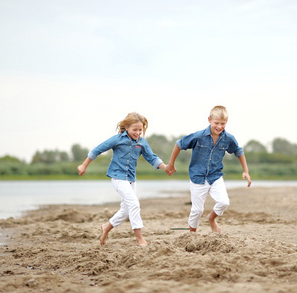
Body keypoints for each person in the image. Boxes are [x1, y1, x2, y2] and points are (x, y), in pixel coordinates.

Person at [77, 112, 168, 246]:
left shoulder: (142, 142)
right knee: (134, 204)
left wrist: (165, 167)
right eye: (134, 130)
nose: (138, 132)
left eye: (140, 130)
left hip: (131, 178)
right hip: (117, 177)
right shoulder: (117, 139)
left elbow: (151, 157)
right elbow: (97, 150)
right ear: (126, 128)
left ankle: (106, 227)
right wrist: (84, 165)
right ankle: (139, 238)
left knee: (126, 210)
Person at [165, 105, 251, 234]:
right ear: (209, 120)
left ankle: (211, 218)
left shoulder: (228, 139)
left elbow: (239, 151)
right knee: (197, 210)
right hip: (197, 177)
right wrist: (171, 164)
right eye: (216, 123)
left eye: (223, 123)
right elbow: (179, 144)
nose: (219, 126)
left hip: (215, 176)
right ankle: (192, 233)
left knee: (223, 202)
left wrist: (246, 171)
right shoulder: (198, 136)